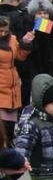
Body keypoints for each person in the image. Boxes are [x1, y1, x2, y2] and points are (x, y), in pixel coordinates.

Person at [0, 16, 33, 146]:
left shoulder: (12, 40)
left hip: (13, 87)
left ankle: (8, 150)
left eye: (5, 31)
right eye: (0, 31)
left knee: (10, 126)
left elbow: (20, 56)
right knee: (2, 126)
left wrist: (26, 43)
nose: (2, 34)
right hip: (1, 86)